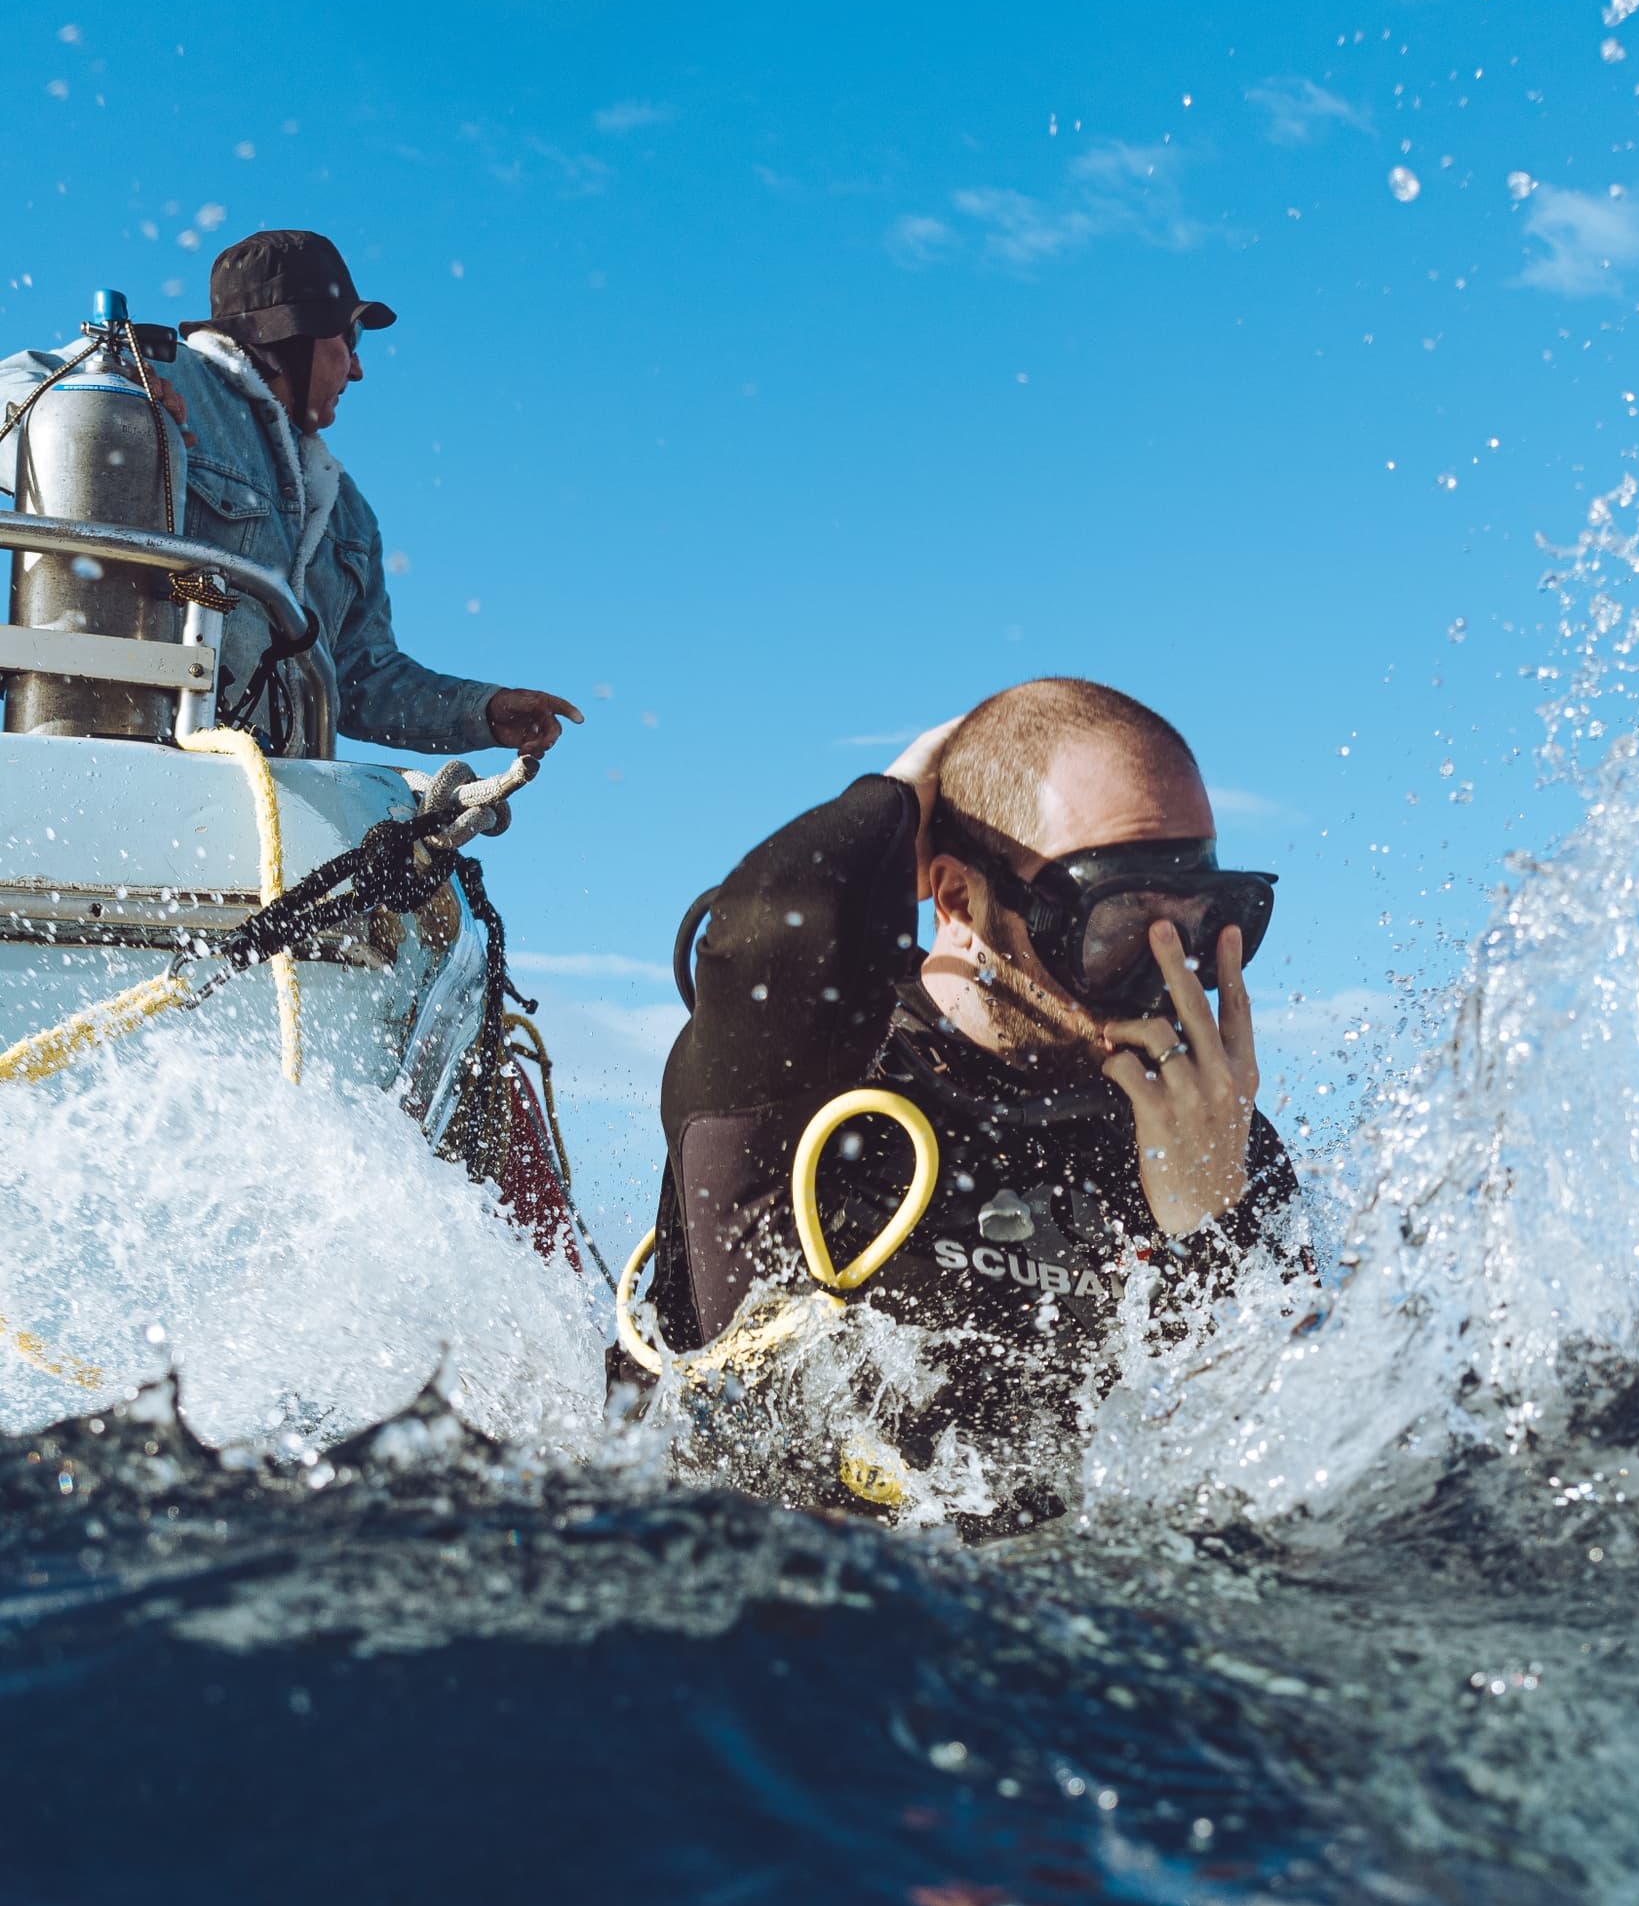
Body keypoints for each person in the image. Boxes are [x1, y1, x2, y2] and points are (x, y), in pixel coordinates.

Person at [646, 677, 1307, 1524]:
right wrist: (898, 791)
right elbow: (770, 919)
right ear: (956, 899)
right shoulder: (810, 1070)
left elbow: (1294, 1459)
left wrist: (1209, 1225)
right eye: (1115, 927)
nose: (1164, 982)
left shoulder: (1196, 1132)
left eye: (1203, 923)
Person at [0, 229, 580, 759]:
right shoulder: (157, 374)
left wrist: (479, 709)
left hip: (276, 795)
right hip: (128, 750)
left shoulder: (347, 512)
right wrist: (98, 394)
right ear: (292, 334)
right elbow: (13, 393)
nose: (356, 370)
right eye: (349, 340)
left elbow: (359, 677)